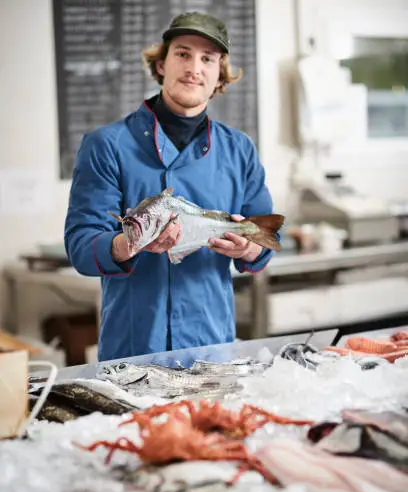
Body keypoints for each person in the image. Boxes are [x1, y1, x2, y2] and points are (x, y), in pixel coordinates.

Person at [64, 11, 275, 362]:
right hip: (132, 352)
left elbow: (265, 239)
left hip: (212, 349)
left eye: (207, 58)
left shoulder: (240, 150)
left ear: (219, 72)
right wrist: (129, 243)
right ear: (161, 64)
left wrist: (247, 249)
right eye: (182, 53)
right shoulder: (106, 145)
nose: (194, 67)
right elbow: (81, 246)